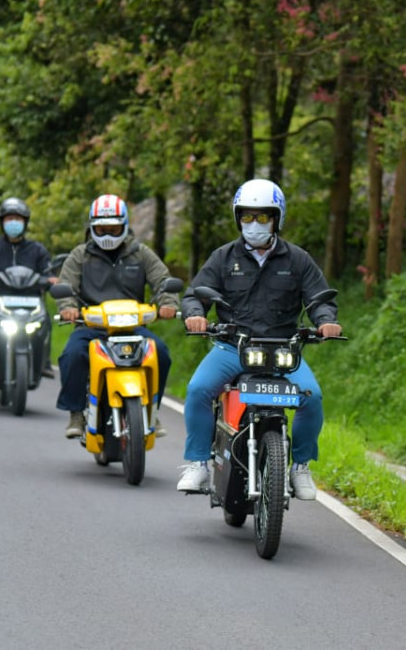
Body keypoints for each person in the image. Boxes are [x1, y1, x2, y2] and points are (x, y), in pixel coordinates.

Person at [177, 178, 343, 500]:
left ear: (277, 218)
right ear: (238, 218)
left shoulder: (298, 259)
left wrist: (326, 322)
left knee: (312, 397)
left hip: (283, 351)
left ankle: (301, 467)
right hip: (232, 347)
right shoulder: (223, 257)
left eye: (263, 216)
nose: (254, 224)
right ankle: (198, 462)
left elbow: (319, 299)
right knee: (198, 389)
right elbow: (195, 295)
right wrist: (195, 315)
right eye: (247, 217)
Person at [54, 194, 180, 439]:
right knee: (72, 355)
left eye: (113, 229)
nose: (108, 234)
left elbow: (163, 281)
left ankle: (151, 408)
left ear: (124, 225)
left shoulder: (140, 253)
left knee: (161, 354)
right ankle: (76, 412)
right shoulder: (80, 255)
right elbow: (66, 285)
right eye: (102, 229)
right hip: (91, 327)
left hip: (132, 328)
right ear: (92, 227)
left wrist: (168, 303)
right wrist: (67, 308)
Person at [0, 197, 56, 378]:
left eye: (18, 219)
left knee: (44, 319)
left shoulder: (37, 250)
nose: (13, 222)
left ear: (25, 222)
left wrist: (52, 280)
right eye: (9, 219)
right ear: (2, 222)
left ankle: (44, 360)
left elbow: (48, 272)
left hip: (31, 299)